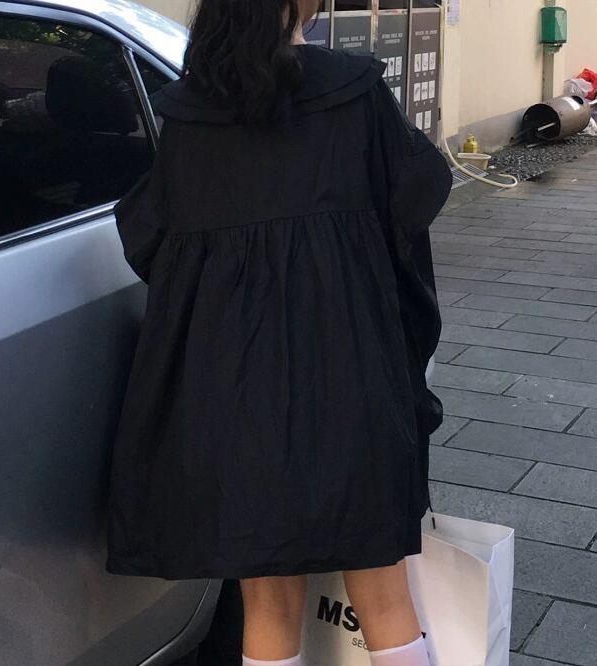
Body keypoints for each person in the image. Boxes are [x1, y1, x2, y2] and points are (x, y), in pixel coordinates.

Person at [105, 0, 452, 664]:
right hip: (350, 376)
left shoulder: (191, 114)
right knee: (384, 597)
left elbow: (150, 240)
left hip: (235, 392)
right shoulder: (352, 91)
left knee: (266, 605)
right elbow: (417, 194)